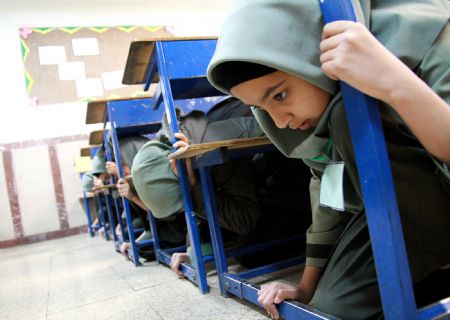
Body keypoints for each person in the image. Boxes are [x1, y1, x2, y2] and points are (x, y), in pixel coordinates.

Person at [206, 1, 450, 319]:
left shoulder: (425, 34)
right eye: (263, 109)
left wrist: (394, 82)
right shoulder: (318, 116)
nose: (280, 122)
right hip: (401, 214)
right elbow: (329, 191)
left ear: (310, 55)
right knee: (333, 310)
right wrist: (307, 288)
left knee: (348, 115)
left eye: (279, 95)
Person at [131, 97, 312, 275]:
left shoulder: (209, 149)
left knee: (251, 253)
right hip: (275, 165)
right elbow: (192, 204)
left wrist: (193, 184)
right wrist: (193, 250)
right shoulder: (180, 144)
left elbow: (245, 219)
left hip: (303, 169)